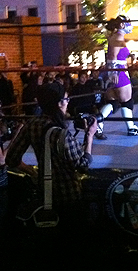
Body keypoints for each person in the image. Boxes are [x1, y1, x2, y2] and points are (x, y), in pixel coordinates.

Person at [6, 82, 97, 228]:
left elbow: (11, 159)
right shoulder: (61, 134)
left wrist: (33, 172)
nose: (68, 103)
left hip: (45, 193)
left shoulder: (32, 124)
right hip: (69, 195)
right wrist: (90, 136)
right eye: (66, 99)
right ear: (59, 103)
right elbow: (83, 166)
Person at [98, 15, 138, 137]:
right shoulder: (118, 37)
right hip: (118, 72)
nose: (130, 25)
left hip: (115, 72)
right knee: (127, 101)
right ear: (122, 24)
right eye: (128, 22)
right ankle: (131, 128)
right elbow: (112, 56)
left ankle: (97, 125)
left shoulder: (115, 36)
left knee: (113, 102)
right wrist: (113, 72)